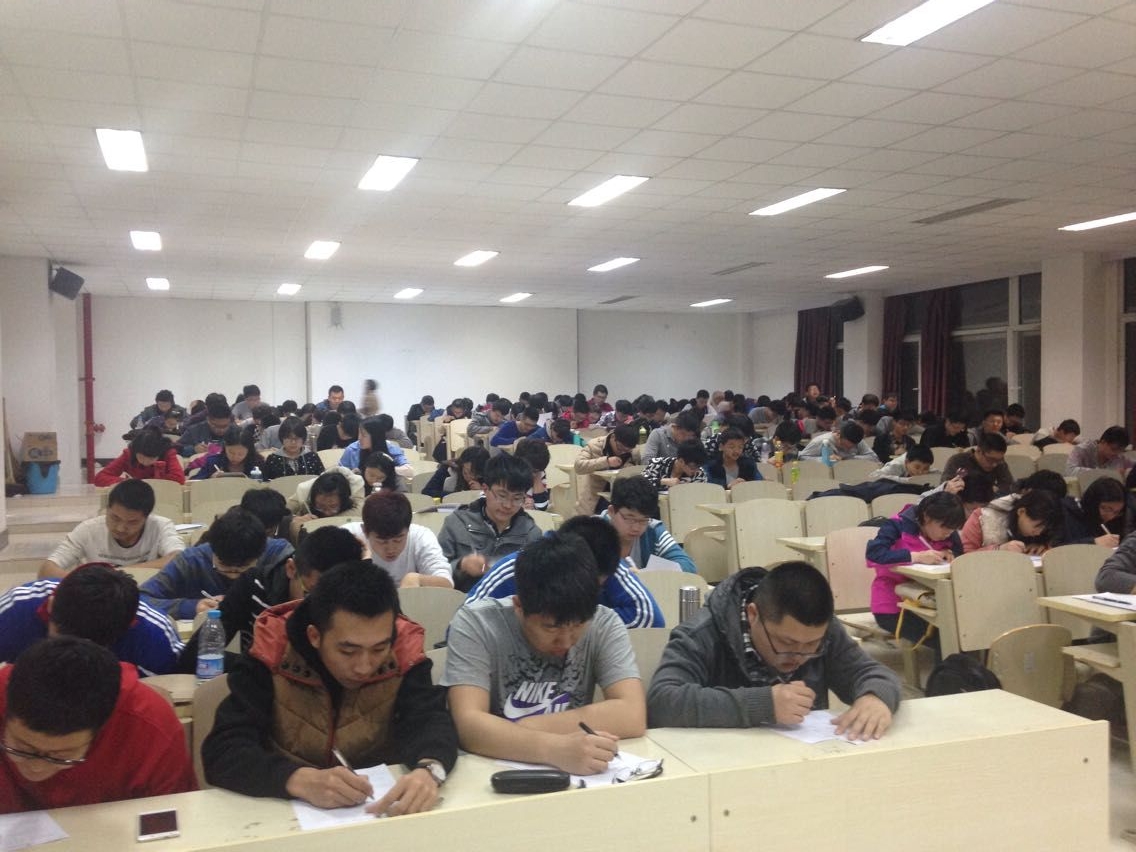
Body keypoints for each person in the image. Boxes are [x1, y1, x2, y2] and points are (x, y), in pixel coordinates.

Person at [203, 561, 457, 814]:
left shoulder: (403, 651)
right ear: (315, 636)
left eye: (379, 649)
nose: (364, 667)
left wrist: (429, 770)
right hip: (282, 815)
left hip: (380, 810)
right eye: (348, 651)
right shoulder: (272, 651)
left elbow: (430, 720)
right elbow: (223, 750)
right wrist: (297, 779)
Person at [443, 533, 645, 775]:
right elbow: (469, 726)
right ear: (519, 606)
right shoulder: (476, 624)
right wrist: (554, 749)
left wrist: (523, 728)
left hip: (577, 775)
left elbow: (632, 714)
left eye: (578, 625)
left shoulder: (604, 622)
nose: (566, 641)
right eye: (551, 628)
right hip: (491, 773)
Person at [646, 562, 900, 737]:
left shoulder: (821, 631)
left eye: (811, 646)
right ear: (753, 614)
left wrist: (874, 697)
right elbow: (662, 702)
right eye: (786, 644)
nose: (799, 657)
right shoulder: (702, 634)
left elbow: (873, 674)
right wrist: (764, 704)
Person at [0, 636, 196, 813]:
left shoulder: (151, 726)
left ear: (103, 726)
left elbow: (173, 819)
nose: (37, 768)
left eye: (61, 757)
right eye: (21, 749)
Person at [176, 525, 363, 671]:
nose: (324, 605)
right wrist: (258, 665)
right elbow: (195, 656)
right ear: (291, 569)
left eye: (335, 596)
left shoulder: (357, 597)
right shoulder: (254, 587)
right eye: (312, 593)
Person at [466, 515, 664, 628]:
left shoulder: (605, 561)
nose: (585, 594)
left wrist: (577, 622)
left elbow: (650, 618)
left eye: (595, 588)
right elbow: (464, 626)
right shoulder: (514, 570)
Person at [0, 563, 183, 676]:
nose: (65, 655)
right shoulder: (16, 608)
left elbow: (172, 697)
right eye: (58, 642)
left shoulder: (155, 638)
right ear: (50, 605)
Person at [140, 508, 293, 619]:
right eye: (224, 567)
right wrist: (192, 607)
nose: (233, 576)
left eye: (242, 569)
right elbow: (141, 600)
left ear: (260, 553)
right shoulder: (192, 560)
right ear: (212, 549)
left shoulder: (280, 555)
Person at [865, 492, 966, 649]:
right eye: (944, 527)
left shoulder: (949, 534)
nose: (948, 533)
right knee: (946, 637)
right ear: (926, 517)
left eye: (953, 529)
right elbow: (874, 554)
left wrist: (951, 554)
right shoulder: (897, 525)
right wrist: (916, 556)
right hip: (894, 605)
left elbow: (960, 556)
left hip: (934, 602)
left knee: (965, 632)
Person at [438, 454, 542, 592]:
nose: (508, 505)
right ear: (485, 489)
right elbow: (435, 573)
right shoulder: (457, 523)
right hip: (462, 600)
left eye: (517, 498)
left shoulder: (530, 533)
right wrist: (461, 565)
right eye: (502, 496)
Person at [40, 480, 184, 579]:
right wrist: (87, 584)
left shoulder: (160, 526)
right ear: (107, 509)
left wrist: (118, 574)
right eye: (115, 518)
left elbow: (180, 560)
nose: (120, 528)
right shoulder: (88, 530)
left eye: (132, 522)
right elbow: (47, 570)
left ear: (147, 517)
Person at [352, 491, 453, 588]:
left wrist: (419, 579)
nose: (391, 549)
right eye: (382, 541)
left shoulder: (421, 537)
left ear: (409, 529)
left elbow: (447, 583)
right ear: (365, 531)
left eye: (398, 540)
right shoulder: (351, 536)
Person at [601, 476, 697, 573]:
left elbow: (688, 566)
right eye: (629, 518)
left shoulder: (653, 529)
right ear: (611, 511)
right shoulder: (594, 531)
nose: (636, 528)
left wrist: (647, 574)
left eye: (643, 520)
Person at [960, 488, 1063, 554]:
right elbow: (964, 557)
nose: (1039, 532)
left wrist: (1042, 546)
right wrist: (999, 550)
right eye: (1036, 526)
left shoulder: (1043, 533)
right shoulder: (982, 517)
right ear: (1021, 511)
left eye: (1044, 529)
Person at [573, 423, 638, 516]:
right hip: (596, 496)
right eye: (620, 448)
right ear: (613, 437)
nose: (622, 452)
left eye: (627, 451)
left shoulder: (634, 452)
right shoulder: (595, 445)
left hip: (624, 496)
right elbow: (578, 466)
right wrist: (606, 461)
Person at [940, 431, 1014, 510]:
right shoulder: (960, 462)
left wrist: (992, 493)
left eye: (999, 460)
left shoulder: (999, 463)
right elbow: (948, 488)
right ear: (979, 451)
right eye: (990, 460)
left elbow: (1009, 486)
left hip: (988, 505)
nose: (994, 464)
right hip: (963, 507)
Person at [286, 470, 364, 541]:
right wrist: (297, 519)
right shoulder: (304, 493)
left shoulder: (356, 496)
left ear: (344, 502)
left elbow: (360, 512)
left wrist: (323, 522)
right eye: (320, 506)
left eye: (333, 507)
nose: (327, 513)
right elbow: (284, 512)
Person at [95, 429, 185, 486]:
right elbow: (100, 477)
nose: (145, 462)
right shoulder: (128, 454)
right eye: (141, 457)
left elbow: (179, 479)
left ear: (159, 454)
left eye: (151, 458)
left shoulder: (168, 453)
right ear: (135, 451)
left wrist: (149, 482)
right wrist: (128, 482)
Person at [1060, 477, 1128, 547]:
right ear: (1093, 502)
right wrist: (1093, 543)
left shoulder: (1114, 521)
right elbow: (1056, 548)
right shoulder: (1063, 513)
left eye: (1116, 512)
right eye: (1105, 509)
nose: (1110, 516)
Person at [260, 416, 325, 480]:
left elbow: (322, 480)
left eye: (297, 438)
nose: (293, 442)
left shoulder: (312, 457)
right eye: (289, 438)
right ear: (282, 438)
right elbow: (266, 482)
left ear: (303, 439)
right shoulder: (273, 459)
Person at [339, 415, 409, 473]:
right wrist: (351, 474)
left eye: (363, 435)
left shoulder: (390, 448)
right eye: (359, 433)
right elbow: (340, 473)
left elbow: (408, 470)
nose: (359, 438)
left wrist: (383, 470)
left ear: (375, 436)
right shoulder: (352, 449)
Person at [191, 425, 262, 479]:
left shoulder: (257, 463)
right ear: (225, 447)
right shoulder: (213, 462)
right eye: (231, 452)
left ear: (249, 451)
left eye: (241, 454)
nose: (235, 457)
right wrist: (210, 479)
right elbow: (193, 483)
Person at [421, 446, 488, 499]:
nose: (470, 477)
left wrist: (481, 492)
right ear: (462, 464)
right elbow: (426, 492)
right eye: (466, 472)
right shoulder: (449, 469)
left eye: (476, 475)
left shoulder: (488, 474)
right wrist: (458, 496)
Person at [642, 439, 708, 491]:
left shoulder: (700, 474)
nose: (696, 470)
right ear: (681, 461)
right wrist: (661, 481)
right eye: (693, 467)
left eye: (698, 466)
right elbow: (640, 484)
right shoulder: (657, 464)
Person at [798, 421, 878, 464]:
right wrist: (824, 459)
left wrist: (849, 458)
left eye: (850, 448)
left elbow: (873, 458)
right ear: (838, 434)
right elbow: (801, 457)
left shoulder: (857, 440)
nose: (846, 449)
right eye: (843, 445)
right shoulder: (821, 441)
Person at [1068, 426, 1133, 476]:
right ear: (1103, 442)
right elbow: (1069, 471)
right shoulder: (1083, 449)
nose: (1116, 454)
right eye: (1113, 449)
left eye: (1120, 451)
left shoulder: (1120, 457)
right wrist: (1105, 473)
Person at [513, 438, 551, 511]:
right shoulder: (508, 475)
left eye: (536, 471)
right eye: (532, 470)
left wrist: (537, 477)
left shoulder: (539, 472)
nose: (532, 474)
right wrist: (519, 508)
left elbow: (542, 507)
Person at [869, 444, 935, 481]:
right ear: (907, 462)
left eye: (926, 469)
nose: (920, 472)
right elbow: (873, 475)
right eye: (917, 467)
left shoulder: (918, 463)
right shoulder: (896, 466)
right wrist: (904, 480)